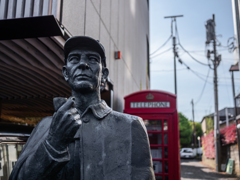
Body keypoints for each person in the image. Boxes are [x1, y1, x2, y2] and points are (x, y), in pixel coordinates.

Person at [10, 36, 155, 180]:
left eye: (92, 59)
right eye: (74, 58)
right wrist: (54, 142)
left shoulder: (130, 126)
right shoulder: (45, 125)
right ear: (66, 73)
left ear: (103, 75)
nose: (83, 64)